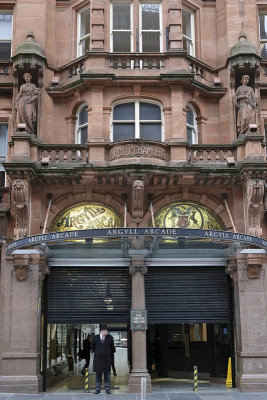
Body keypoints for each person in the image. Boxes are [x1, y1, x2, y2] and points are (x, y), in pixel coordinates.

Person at [92, 325, 115, 395]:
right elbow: (92, 347)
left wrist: (108, 353)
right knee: (98, 375)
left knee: (107, 375)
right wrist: (98, 352)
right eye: (106, 330)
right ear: (102, 331)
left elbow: (112, 348)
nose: (107, 332)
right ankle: (97, 389)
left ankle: (107, 389)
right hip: (98, 359)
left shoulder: (110, 338)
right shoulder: (95, 338)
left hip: (107, 359)